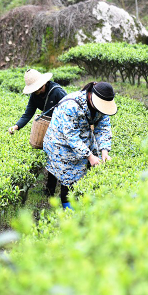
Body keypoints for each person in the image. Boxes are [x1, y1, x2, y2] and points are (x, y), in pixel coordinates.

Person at [43, 81, 116, 210]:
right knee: (69, 178)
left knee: (86, 175)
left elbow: (103, 128)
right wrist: (89, 156)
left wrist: (104, 151)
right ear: (91, 96)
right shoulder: (71, 106)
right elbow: (71, 136)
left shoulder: (101, 104)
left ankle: (83, 207)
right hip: (60, 143)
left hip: (83, 139)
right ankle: (69, 212)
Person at [8, 69, 68, 197]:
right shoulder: (35, 95)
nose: (36, 92)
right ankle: (50, 190)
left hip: (62, 127)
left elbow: (69, 109)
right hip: (48, 128)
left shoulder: (57, 92)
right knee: (51, 157)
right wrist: (17, 126)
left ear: (43, 84)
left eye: (37, 88)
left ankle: (64, 190)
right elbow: (28, 113)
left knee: (61, 158)